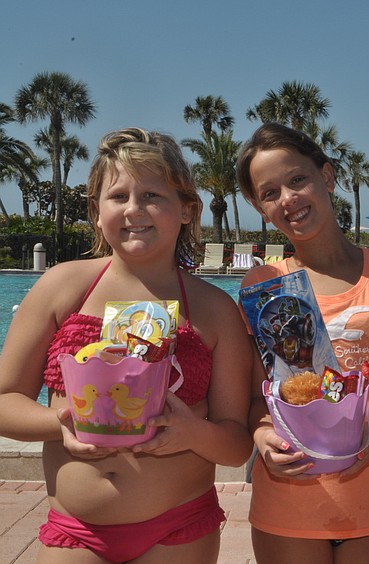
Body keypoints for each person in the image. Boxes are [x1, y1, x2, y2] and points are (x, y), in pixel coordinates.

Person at [0, 128, 254, 562]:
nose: (135, 210)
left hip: (178, 528)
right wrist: (61, 424)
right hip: (76, 530)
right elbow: (5, 400)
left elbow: (237, 444)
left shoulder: (215, 311)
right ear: (96, 212)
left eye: (153, 195)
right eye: (118, 196)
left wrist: (194, 433)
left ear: (187, 209)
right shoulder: (62, 287)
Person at [235, 123, 369, 564]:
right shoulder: (264, 286)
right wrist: (262, 434)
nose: (288, 199)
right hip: (287, 506)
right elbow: (257, 400)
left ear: (326, 176)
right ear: (259, 206)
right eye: (270, 193)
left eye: (297, 180)